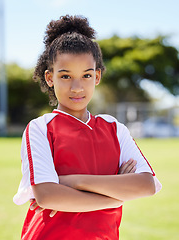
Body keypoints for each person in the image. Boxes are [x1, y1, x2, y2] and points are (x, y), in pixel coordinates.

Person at [13, 15, 162, 240]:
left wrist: (72, 181)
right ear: (50, 77)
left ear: (97, 76)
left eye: (86, 75)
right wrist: (115, 196)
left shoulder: (114, 128)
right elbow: (47, 196)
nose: (77, 87)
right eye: (65, 76)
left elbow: (145, 185)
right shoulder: (40, 128)